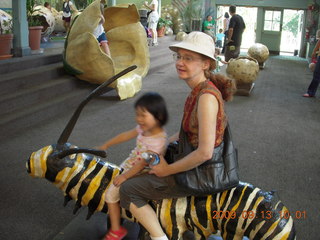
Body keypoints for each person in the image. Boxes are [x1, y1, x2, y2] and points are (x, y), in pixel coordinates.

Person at [118, 32, 236, 239]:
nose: (180, 62)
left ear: (206, 64)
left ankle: (158, 236)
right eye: (179, 56)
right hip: (197, 163)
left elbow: (204, 152)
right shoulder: (199, 90)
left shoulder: (206, 98)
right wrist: (163, 142)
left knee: (128, 189)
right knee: (146, 162)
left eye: (188, 58)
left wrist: (167, 170)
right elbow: (189, 133)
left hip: (203, 175)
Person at [98, 92, 169, 240]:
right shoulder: (145, 129)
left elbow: (142, 164)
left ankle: (116, 230)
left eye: (143, 115)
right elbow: (126, 135)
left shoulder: (158, 142)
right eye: (137, 114)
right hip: (130, 164)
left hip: (141, 172)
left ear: (159, 116)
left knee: (110, 195)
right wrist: (107, 144)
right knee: (113, 181)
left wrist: (124, 176)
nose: (139, 119)